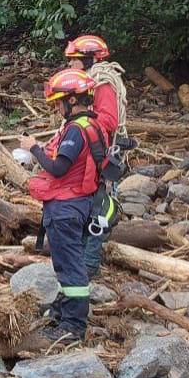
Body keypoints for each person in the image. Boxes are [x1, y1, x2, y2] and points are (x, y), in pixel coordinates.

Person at [21, 69, 108, 343]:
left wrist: (34, 148)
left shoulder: (75, 130)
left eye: (60, 101)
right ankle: (62, 311)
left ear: (72, 100)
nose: (57, 107)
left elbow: (59, 168)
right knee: (68, 264)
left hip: (66, 208)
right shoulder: (95, 126)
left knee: (71, 267)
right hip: (82, 203)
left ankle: (72, 326)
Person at [65, 34, 127, 277]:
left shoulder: (102, 84)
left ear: (88, 60)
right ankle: (83, 258)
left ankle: (89, 264)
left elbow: (109, 121)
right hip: (94, 151)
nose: (70, 66)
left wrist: (79, 118)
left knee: (100, 208)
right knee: (88, 204)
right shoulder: (92, 81)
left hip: (104, 154)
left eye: (74, 61)